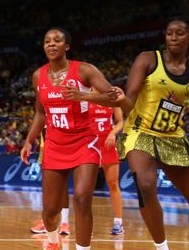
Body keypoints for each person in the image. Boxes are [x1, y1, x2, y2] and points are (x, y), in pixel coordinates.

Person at [20, 27, 125, 250]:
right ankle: (53, 242)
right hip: (55, 145)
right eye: (47, 41)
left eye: (57, 40)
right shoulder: (38, 75)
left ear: (66, 46)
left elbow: (113, 97)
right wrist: (29, 139)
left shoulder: (84, 70)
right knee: (50, 210)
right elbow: (40, 112)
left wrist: (84, 95)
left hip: (85, 141)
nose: (51, 44)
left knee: (82, 198)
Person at [115, 17, 189, 250]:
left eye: (179, 33)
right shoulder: (148, 59)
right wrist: (118, 99)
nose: (173, 37)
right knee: (146, 186)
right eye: (169, 33)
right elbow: (129, 100)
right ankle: (162, 247)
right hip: (140, 131)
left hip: (172, 136)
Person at [90, 101, 125, 235]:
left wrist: (112, 133)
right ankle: (87, 223)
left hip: (108, 144)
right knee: (87, 187)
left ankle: (118, 223)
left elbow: (120, 121)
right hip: (91, 145)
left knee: (113, 183)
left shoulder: (111, 98)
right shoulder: (85, 96)